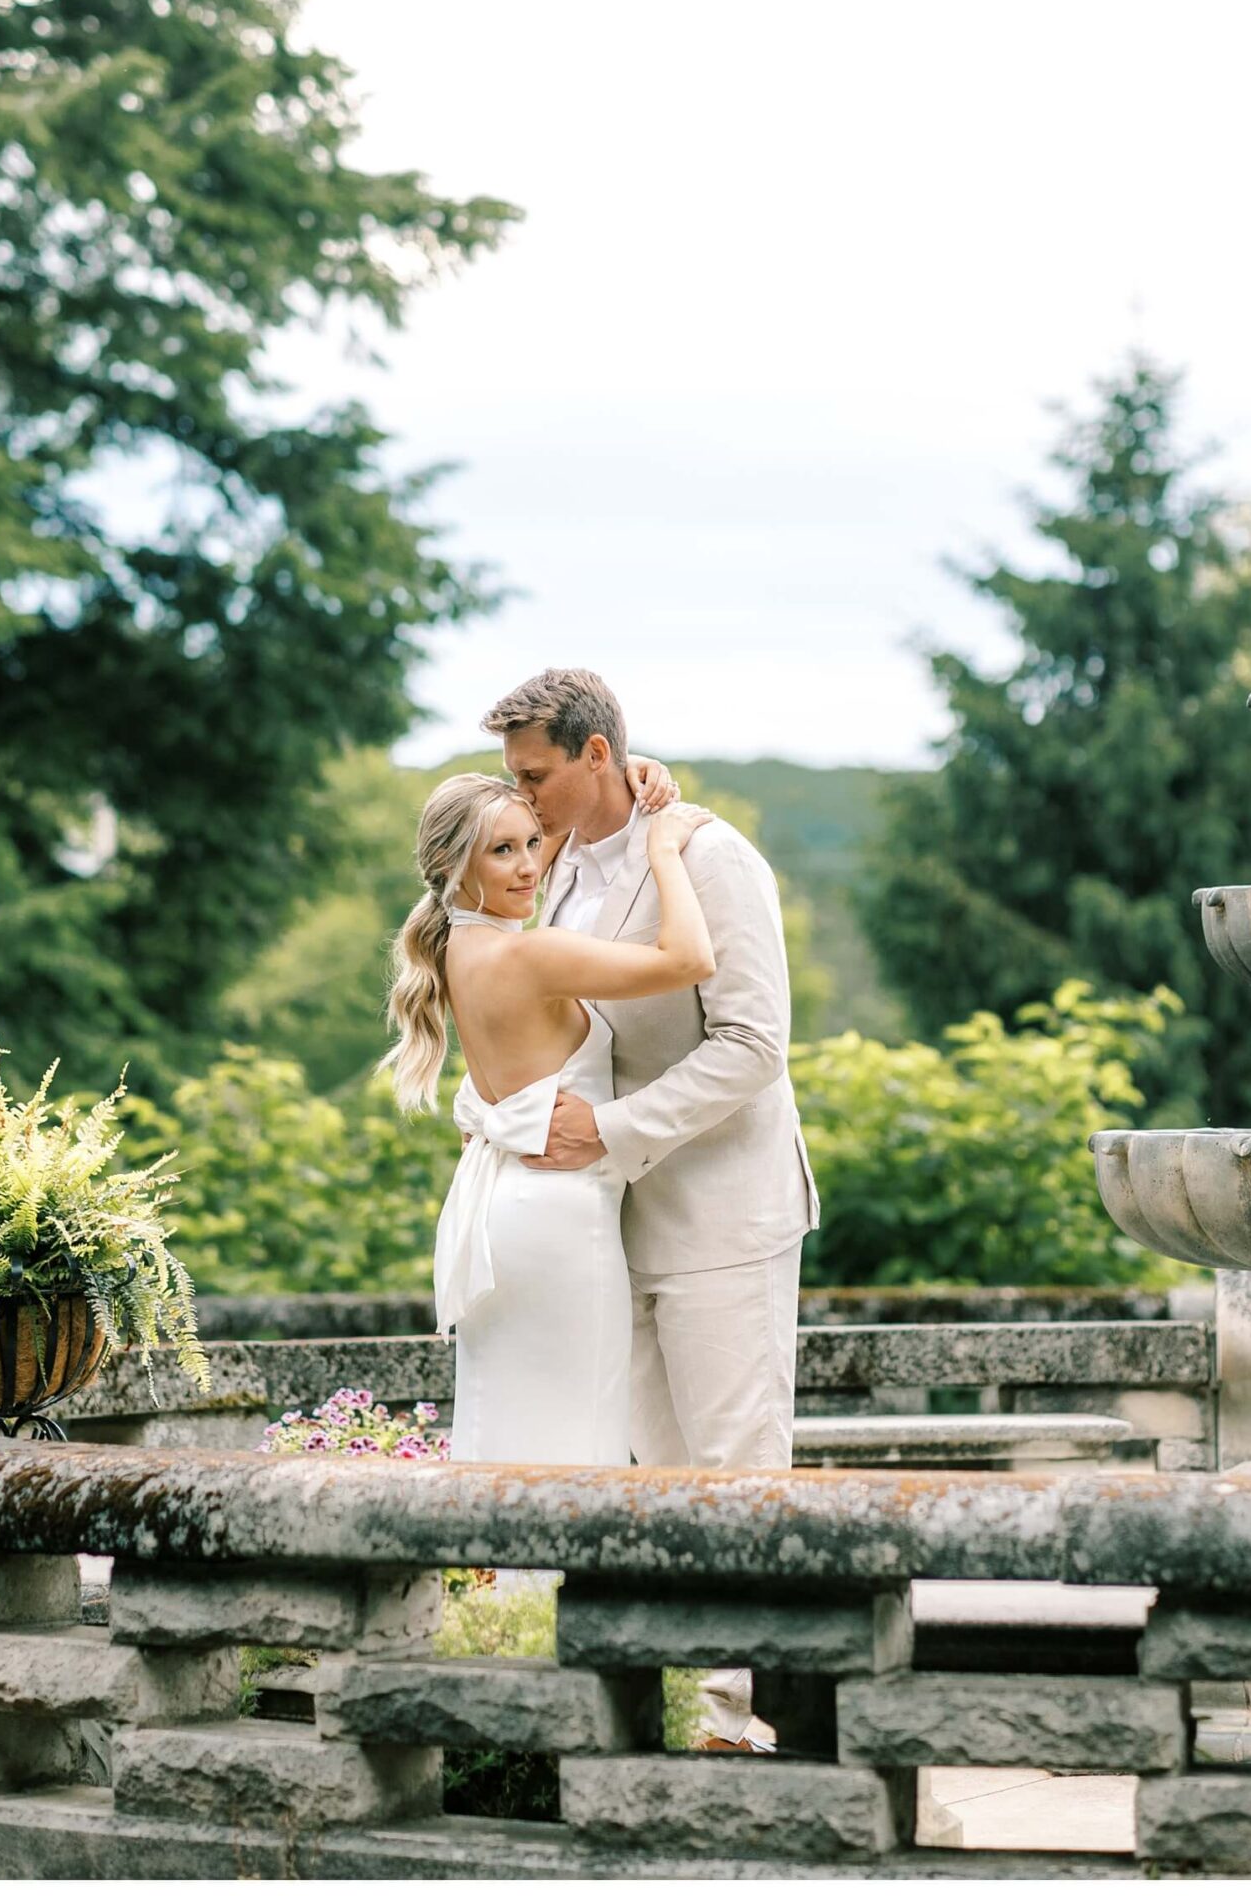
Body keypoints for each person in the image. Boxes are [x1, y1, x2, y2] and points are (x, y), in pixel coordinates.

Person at [481, 667, 820, 1753]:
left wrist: (614, 1132)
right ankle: (679, 1708)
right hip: (604, 1227)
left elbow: (755, 1045)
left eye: (534, 775)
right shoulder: (557, 870)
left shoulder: (713, 855)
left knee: (734, 1472)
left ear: (596, 755)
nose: (520, 801)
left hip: (723, 1216)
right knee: (652, 1479)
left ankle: (738, 1724)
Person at [381, 767, 715, 1470]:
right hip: (562, 1219)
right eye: (502, 851)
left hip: (503, 1214)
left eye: (534, 843)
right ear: (451, 863)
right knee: (578, 1434)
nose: (531, 865)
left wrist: (626, 770)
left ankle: (498, 1578)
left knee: (504, 1424)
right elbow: (689, 958)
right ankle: (553, 1576)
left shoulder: (457, 945)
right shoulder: (529, 953)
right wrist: (662, 848)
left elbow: (546, 826)